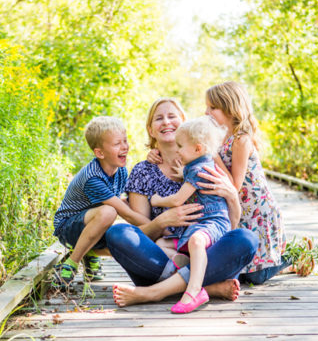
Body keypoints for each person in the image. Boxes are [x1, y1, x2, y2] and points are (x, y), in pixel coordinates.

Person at [106, 98, 258, 307]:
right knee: (117, 233)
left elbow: (229, 223)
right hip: (162, 257)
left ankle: (156, 291)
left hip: (206, 249)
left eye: (172, 116)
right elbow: (141, 233)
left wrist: (232, 196)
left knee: (246, 239)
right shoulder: (143, 171)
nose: (166, 122)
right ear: (151, 130)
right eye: (159, 118)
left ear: (184, 123)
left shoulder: (208, 162)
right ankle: (208, 287)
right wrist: (162, 221)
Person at [151, 116, 237, 313]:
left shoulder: (199, 169)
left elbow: (176, 200)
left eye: (180, 146)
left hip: (213, 222)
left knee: (197, 242)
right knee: (161, 243)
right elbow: (191, 173)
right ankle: (189, 265)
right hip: (201, 223)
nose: (177, 149)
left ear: (198, 149)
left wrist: (156, 200)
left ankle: (194, 291)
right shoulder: (197, 165)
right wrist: (183, 171)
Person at [52, 116, 151, 289]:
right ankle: (71, 264)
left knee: (121, 236)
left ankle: (88, 252)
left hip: (94, 223)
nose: (124, 147)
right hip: (68, 228)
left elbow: (123, 202)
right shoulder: (93, 177)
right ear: (100, 153)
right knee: (109, 212)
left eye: (125, 141)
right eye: (117, 144)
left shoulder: (120, 171)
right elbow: (124, 212)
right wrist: (157, 227)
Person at [205, 81, 289, 284]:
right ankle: (278, 260)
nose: (206, 112)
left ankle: (292, 258)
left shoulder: (241, 140)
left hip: (258, 213)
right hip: (240, 213)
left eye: (212, 108)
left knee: (256, 276)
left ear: (230, 108)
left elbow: (234, 186)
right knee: (241, 271)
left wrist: (214, 156)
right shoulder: (221, 138)